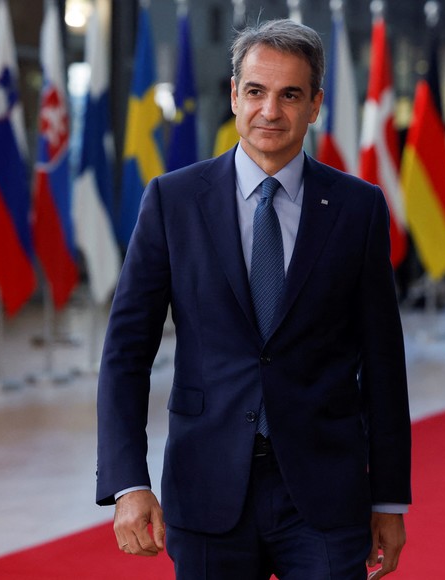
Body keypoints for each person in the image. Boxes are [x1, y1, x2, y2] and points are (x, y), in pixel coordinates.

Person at [96, 19, 411, 579]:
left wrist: (389, 498)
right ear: (236, 96)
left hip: (323, 495)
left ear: (315, 105)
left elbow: (383, 365)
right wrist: (127, 481)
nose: (271, 111)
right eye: (257, 92)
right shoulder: (172, 202)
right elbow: (126, 353)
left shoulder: (358, 210)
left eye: (290, 94)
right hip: (206, 487)